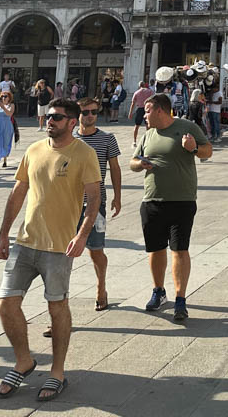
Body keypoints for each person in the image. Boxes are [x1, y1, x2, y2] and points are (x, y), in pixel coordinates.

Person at [0, 98, 101, 402]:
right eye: (48, 115)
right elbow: (19, 191)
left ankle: (57, 372)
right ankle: (24, 361)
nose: (49, 121)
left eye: (56, 117)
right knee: (5, 305)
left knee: (57, 308)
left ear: (71, 122)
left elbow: (93, 199)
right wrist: (4, 233)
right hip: (25, 241)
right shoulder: (34, 150)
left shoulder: (85, 153)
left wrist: (82, 235)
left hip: (59, 247)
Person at [130, 93, 212, 322]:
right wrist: (140, 164)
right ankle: (158, 291)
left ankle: (180, 298)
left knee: (179, 249)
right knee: (155, 249)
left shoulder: (187, 127)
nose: (143, 115)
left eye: (146, 111)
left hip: (182, 200)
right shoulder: (148, 135)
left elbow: (208, 151)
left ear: (160, 111)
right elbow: (132, 161)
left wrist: (193, 148)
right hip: (152, 200)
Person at [69, 98, 121, 313]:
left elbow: (115, 169)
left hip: (95, 202)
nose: (89, 115)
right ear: (77, 116)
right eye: (85, 112)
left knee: (96, 250)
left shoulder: (107, 139)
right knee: (63, 253)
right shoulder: (69, 138)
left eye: (93, 112)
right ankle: (60, 301)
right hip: (68, 203)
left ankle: (101, 288)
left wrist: (118, 196)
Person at [128, 80, 156, 145]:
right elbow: (154, 100)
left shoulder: (136, 92)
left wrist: (130, 113)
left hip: (140, 109)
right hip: (147, 109)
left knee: (137, 125)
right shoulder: (150, 91)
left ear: (139, 86)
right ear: (144, 85)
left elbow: (133, 103)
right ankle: (149, 139)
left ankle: (134, 141)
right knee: (148, 125)